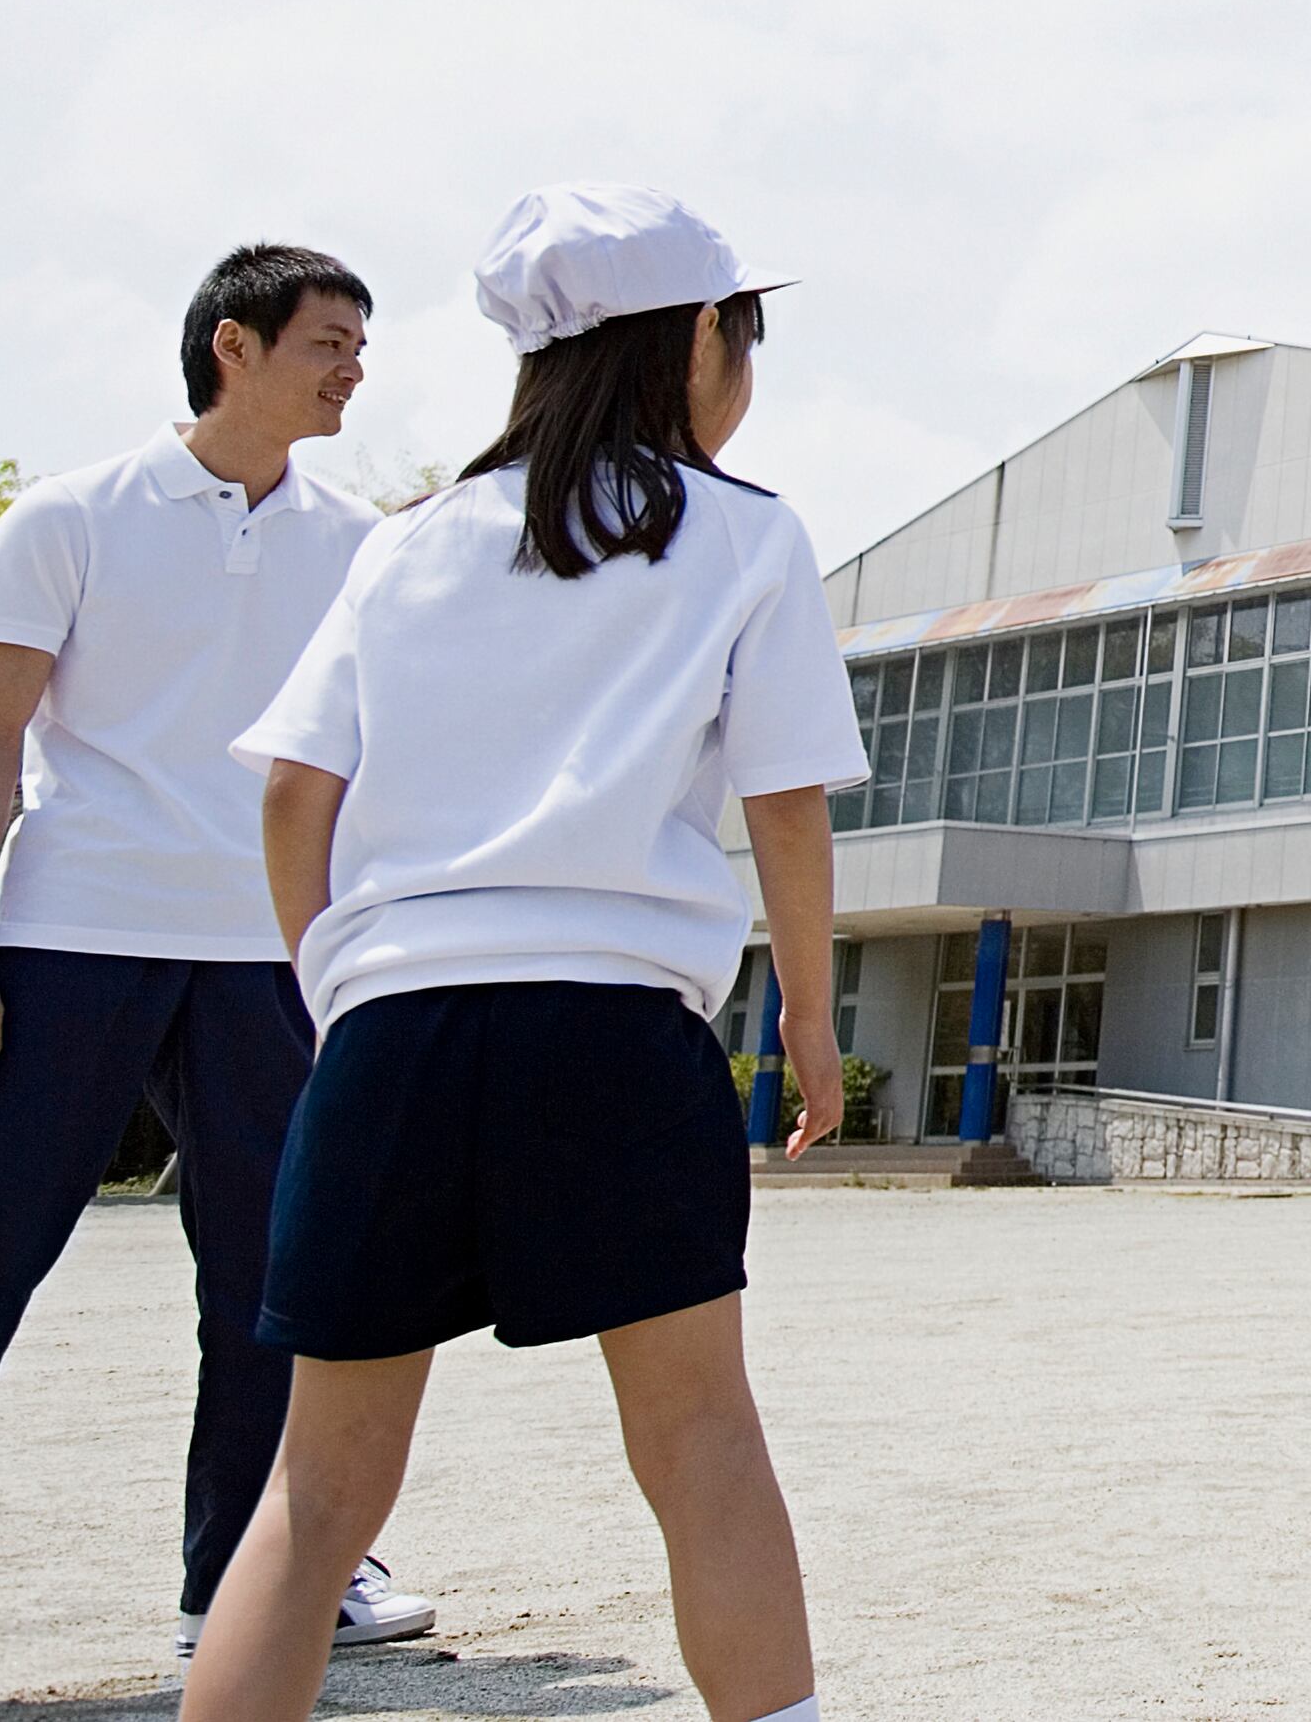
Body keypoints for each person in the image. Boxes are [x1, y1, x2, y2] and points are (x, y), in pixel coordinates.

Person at [177, 187, 864, 1722]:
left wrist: (338, 985)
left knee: (318, 1493)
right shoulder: (744, 535)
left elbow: (296, 793)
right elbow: (787, 804)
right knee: (701, 1447)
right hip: (615, 1029)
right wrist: (807, 1021)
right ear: (695, 340)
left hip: (394, 1028)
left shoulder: (408, 546)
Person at [0, 245, 440, 1717]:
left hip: (272, 958)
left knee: (283, 1288)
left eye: (362, 346)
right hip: (67, 939)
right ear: (233, 346)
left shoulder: (364, 545)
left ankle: (248, 1590)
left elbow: (375, 771)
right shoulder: (67, 516)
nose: (354, 369)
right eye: (330, 341)